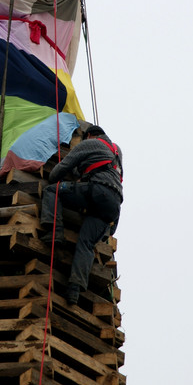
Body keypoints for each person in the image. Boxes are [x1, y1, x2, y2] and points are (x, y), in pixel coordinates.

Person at [40, 125, 123, 305]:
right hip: (113, 207)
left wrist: (54, 178)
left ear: (89, 135)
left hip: (97, 191)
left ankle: (55, 233)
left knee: (52, 191)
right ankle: (74, 290)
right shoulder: (117, 151)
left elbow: (62, 168)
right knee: (86, 243)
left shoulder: (89, 144)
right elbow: (97, 167)